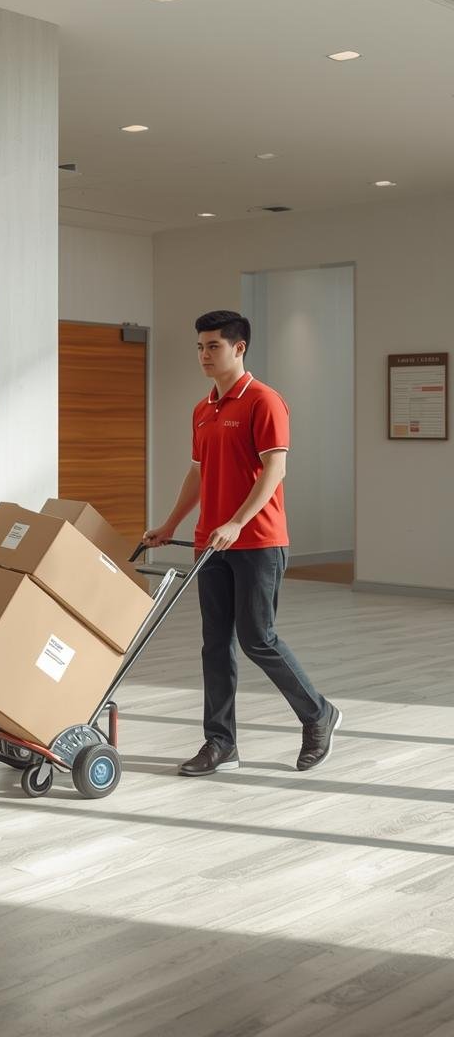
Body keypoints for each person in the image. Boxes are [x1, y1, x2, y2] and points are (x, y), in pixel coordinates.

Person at [143, 310, 341, 776]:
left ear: (239, 348)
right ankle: (220, 742)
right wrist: (171, 523)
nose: (204, 355)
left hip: (257, 541)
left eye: (214, 346)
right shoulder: (203, 409)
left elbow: (276, 469)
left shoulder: (264, 402)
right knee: (215, 644)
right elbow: (197, 472)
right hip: (209, 544)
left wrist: (235, 521)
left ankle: (318, 714)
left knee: (258, 638)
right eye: (199, 347)